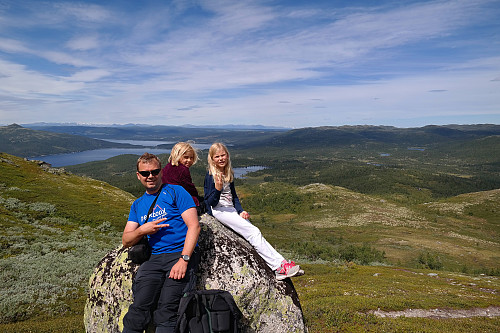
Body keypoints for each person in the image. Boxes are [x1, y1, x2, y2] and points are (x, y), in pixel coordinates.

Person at [122, 152, 201, 333]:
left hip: (179, 254)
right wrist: (143, 230)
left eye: (155, 171)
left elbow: (194, 226)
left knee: (167, 311)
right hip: (154, 258)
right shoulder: (137, 204)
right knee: (138, 308)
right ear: (138, 175)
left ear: (161, 172)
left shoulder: (176, 192)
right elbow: (126, 240)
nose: (150, 176)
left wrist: (184, 259)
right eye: (145, 173)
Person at [204, 142, 302, 280]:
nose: (221, 159)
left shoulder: (228, 172)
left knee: (255, 231)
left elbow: (234, 197)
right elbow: (210, 202)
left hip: (230, 209)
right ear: (212, 159)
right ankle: (278, 267)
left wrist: (240, 211)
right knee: (253, 232)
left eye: (223, 155)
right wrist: (218, 188)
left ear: (227, 155)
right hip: (219, 210)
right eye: (217, 156)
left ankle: (283, 264)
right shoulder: (210, 175)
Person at [161, 142, 205, 215]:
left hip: (167, 199)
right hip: (178, 202)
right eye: (186, 157)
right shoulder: (183, 170)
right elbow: (190, 188)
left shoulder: (167, 167)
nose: (189, 160)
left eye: (191, 158)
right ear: (177, 156)